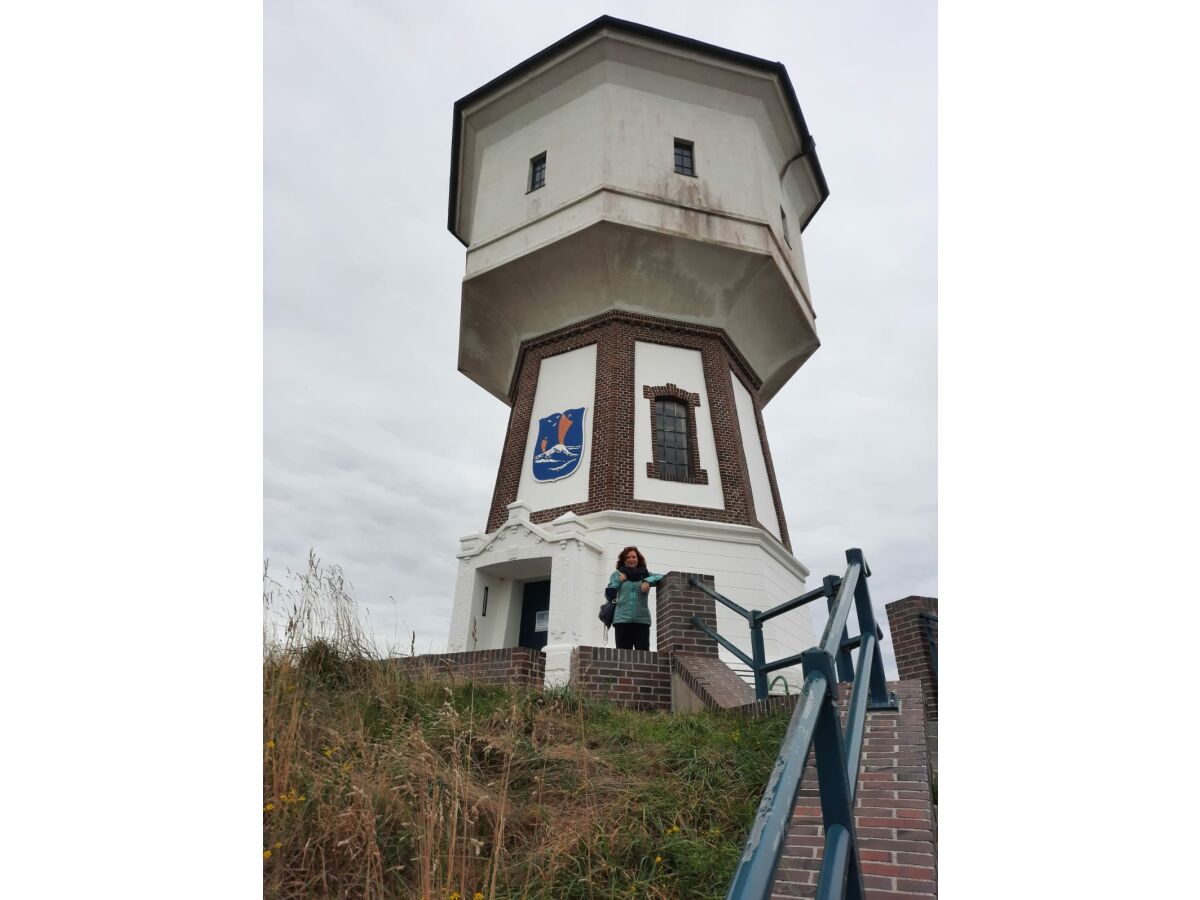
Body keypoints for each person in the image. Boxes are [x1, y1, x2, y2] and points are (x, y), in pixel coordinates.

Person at [606, 546, 663, 651]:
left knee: (643, 656)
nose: (631, 559)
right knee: (623, 656)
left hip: (642, 620)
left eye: (633, 557)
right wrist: (618, 581)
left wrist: (647, 581)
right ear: (624, 560)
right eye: (627, 557)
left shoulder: (646, 574)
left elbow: (662, 577)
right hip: (622, 620)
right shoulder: (617, 574)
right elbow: (609, 595)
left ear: (638, 559)